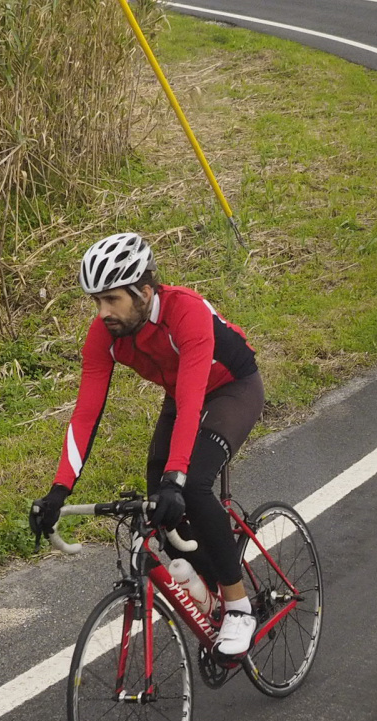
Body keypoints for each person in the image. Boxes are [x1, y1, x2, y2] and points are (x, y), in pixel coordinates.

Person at [29, 233, 266, 657]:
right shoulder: (105, 334)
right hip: (182, 396)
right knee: (160, 506)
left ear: (144, 291)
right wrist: (58, 490)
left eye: (111, 300)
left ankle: (239, 607)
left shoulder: (185, 312)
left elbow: (194, 397)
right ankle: (206, 584)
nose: (102, 313)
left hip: (232, 388)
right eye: (95, 302)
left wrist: (178, 477)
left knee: (190, 486)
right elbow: (86, 414)